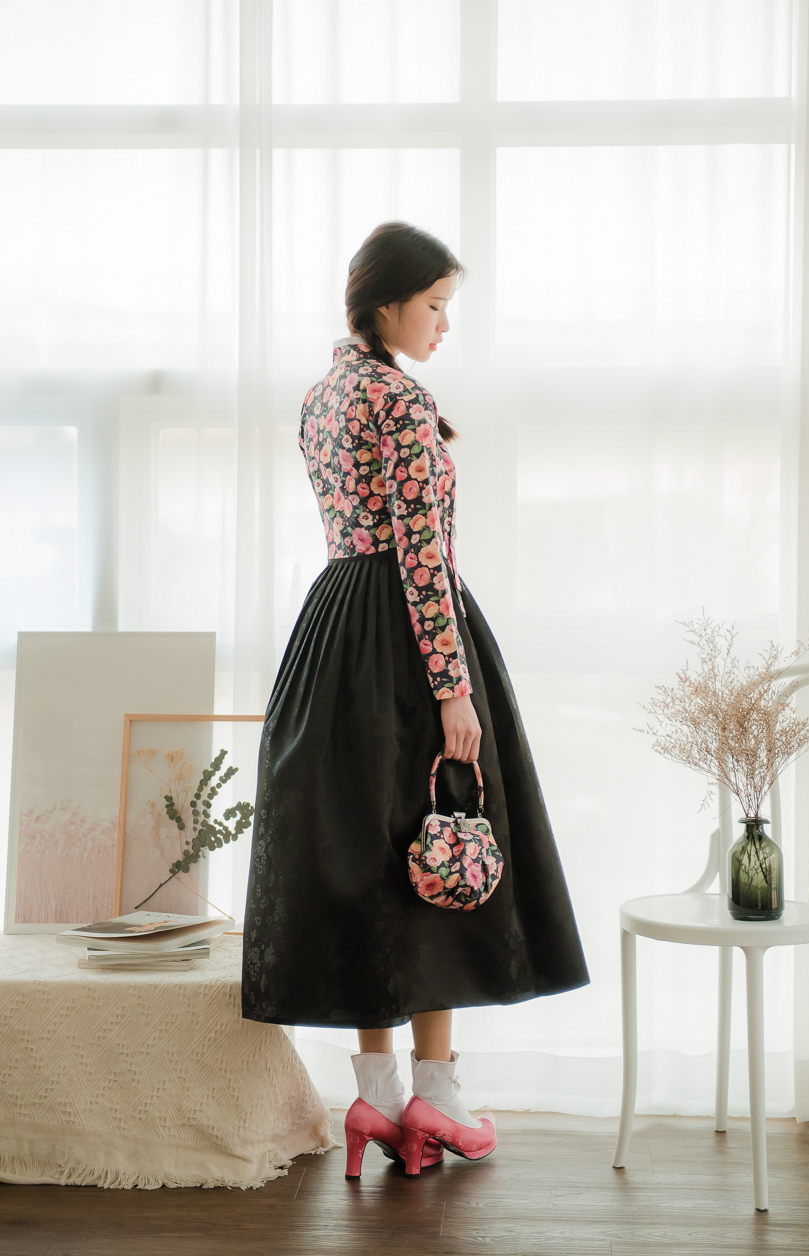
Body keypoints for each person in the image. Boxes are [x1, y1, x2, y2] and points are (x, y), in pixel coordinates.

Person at [241, 221, 589, 1179]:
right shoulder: (398, 399)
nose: (443, 324)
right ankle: (436, 1095)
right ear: (386, 302)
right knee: (445, 843)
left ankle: (381, 1097)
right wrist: (453, 690)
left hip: (334, 633)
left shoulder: (322, 393)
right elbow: (423, 556)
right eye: (434, 305)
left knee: (374, 856)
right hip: (405, 636)